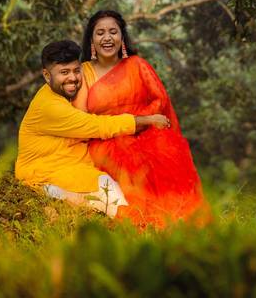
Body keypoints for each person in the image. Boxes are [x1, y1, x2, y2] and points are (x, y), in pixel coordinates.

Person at [73, 10, 210, 228]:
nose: (107, 38)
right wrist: (121, 128)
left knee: (164, 150)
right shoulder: (84, 72)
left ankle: (179, 222)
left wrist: (140, 123)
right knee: (128, 161)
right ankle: (142, 224)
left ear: (122, 37)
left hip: (144, 131)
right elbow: (81, 119)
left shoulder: (137, 65)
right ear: (91, 39)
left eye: (113, 32)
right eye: (100, 33)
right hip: (104, 139)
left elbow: (160, 99)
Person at [15, 39, 170, 217]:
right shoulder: (50, 107)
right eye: (64, 72)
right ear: (47, 75)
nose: (72, 78)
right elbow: (97, 126)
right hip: (43, 177)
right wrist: (148, 120)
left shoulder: (60, 92)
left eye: (76, 70)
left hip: (70, 167)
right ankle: (133, 228)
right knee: (109, 191)